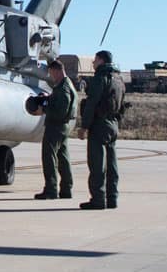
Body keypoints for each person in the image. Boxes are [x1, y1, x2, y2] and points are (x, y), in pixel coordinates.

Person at [78, 49, 125, 210]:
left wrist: (84, 126)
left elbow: (91, 104)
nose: (93, 63)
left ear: (101, 60)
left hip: (100, 124)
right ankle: (112, 198)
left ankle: (98, 199)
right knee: (112, 164)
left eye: (95, 60)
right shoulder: (118, 79)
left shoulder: (100, 78)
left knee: (97, 164)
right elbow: (122, 104)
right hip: (113, 124)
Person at [34, 59, 76, 200]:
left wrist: (44, 109)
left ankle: (51, 189)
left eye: (52, 73)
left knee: (49, 157)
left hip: (56, 126)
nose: (51, 76)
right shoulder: (66, 85)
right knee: (63, 158)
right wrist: (49, 98)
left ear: (57, 71)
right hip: (62, 127)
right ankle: (66, 189)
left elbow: (61, 110)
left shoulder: (63, 87)